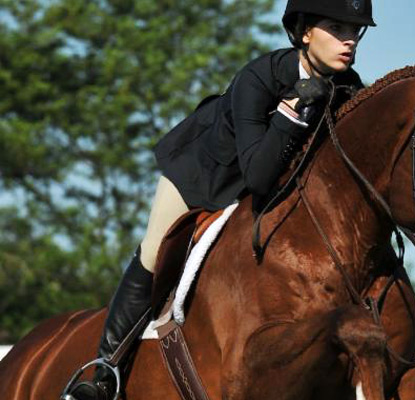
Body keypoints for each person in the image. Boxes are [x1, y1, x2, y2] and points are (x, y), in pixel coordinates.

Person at [66, 0, 375, 399]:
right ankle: (103, 372)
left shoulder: (349, 89)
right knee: (154, 252)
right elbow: (258, 176)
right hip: (204, 176)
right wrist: (291, 115)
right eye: (338, 27)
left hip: (261, 193)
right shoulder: (259, 78)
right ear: (304, 32)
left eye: (355, 31)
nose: (349, 41)